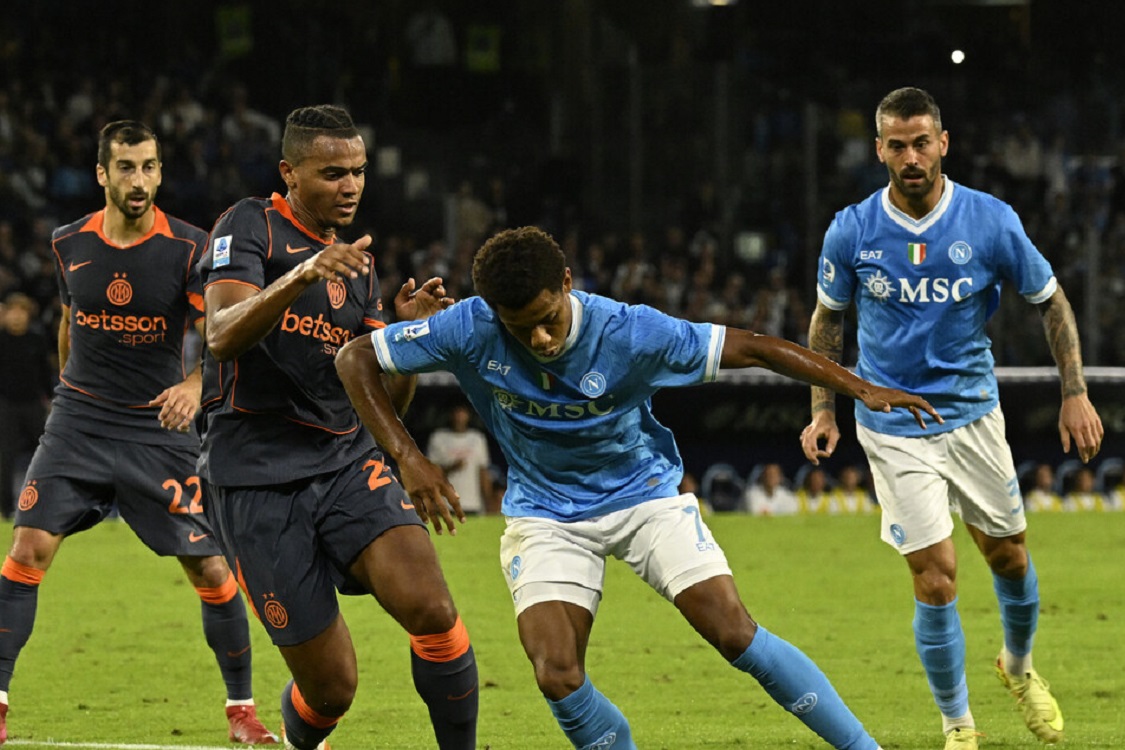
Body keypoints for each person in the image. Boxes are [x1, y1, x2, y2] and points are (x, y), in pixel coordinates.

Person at [336, 225, 944, 750]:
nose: (541, 340)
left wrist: (860, 388)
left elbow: (756, 348)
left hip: (644, 497)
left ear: (567, 283)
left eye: (548, 320)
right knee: (555, 673)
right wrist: (408, 458)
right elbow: (354, 359)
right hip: (545, 513)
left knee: (733, 632)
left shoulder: (630, 332)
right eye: (522, 329)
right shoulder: (468, 327)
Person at [800, 87, 1104, 750]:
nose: (910, 157)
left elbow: (1050, 301)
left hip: (972, 413)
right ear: (879, 150)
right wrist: (824, 408)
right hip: (892, 424)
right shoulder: (852, 229)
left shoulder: (989, 221)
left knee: (1008, 557)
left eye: (921, 143)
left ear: (942, 143)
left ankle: (1017, 667)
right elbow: (828, 320)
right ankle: (958, 726)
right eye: (897, 145)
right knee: (934, 576)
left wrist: (1075, 392)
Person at [197, 104, 477, 750]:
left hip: (345, 462)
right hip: (257, 477)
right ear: (289, 173)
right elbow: (221, 336)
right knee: (332, 689)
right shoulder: (251, 225)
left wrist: (405, 337)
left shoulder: (360, 265)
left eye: (358, 172)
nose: (350, 186)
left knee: (433, 610)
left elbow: (381, 394)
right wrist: (300, 274)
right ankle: (302, 733)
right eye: (332, 174)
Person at [0, 121, 274, 746]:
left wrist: (195, 385)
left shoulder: (190, 248)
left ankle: (242, 712)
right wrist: (67, 395)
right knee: (27, 550)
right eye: (126, 167)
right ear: (102, 173)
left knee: (211, 569)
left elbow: (223, 337)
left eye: (149, 167)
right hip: (79, 424)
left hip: (157, 428)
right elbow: (69, 322)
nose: (139, 180)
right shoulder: (69, 242)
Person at [0, 293, 53, 521]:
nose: (17, 316)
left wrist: (50, 400)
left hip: (33, 405)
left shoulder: (36, 340)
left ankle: (45, 503)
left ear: (28, 316)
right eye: (13, 311)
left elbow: (45, 373)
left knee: (44, 455)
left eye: (22, 311)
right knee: (6, 457)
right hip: (6, 405)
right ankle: (5, 509)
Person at [426, 401, 496, 514]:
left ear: (468, 415)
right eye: (456, 413)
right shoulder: (438, 437)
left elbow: (483, 471)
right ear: (450, 415)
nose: (459, 417)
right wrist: (451, 468)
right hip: (446, 503)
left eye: (462, 413)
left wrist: (489, 500)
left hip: (472, 503)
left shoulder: (477, 438)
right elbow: (431, 472)